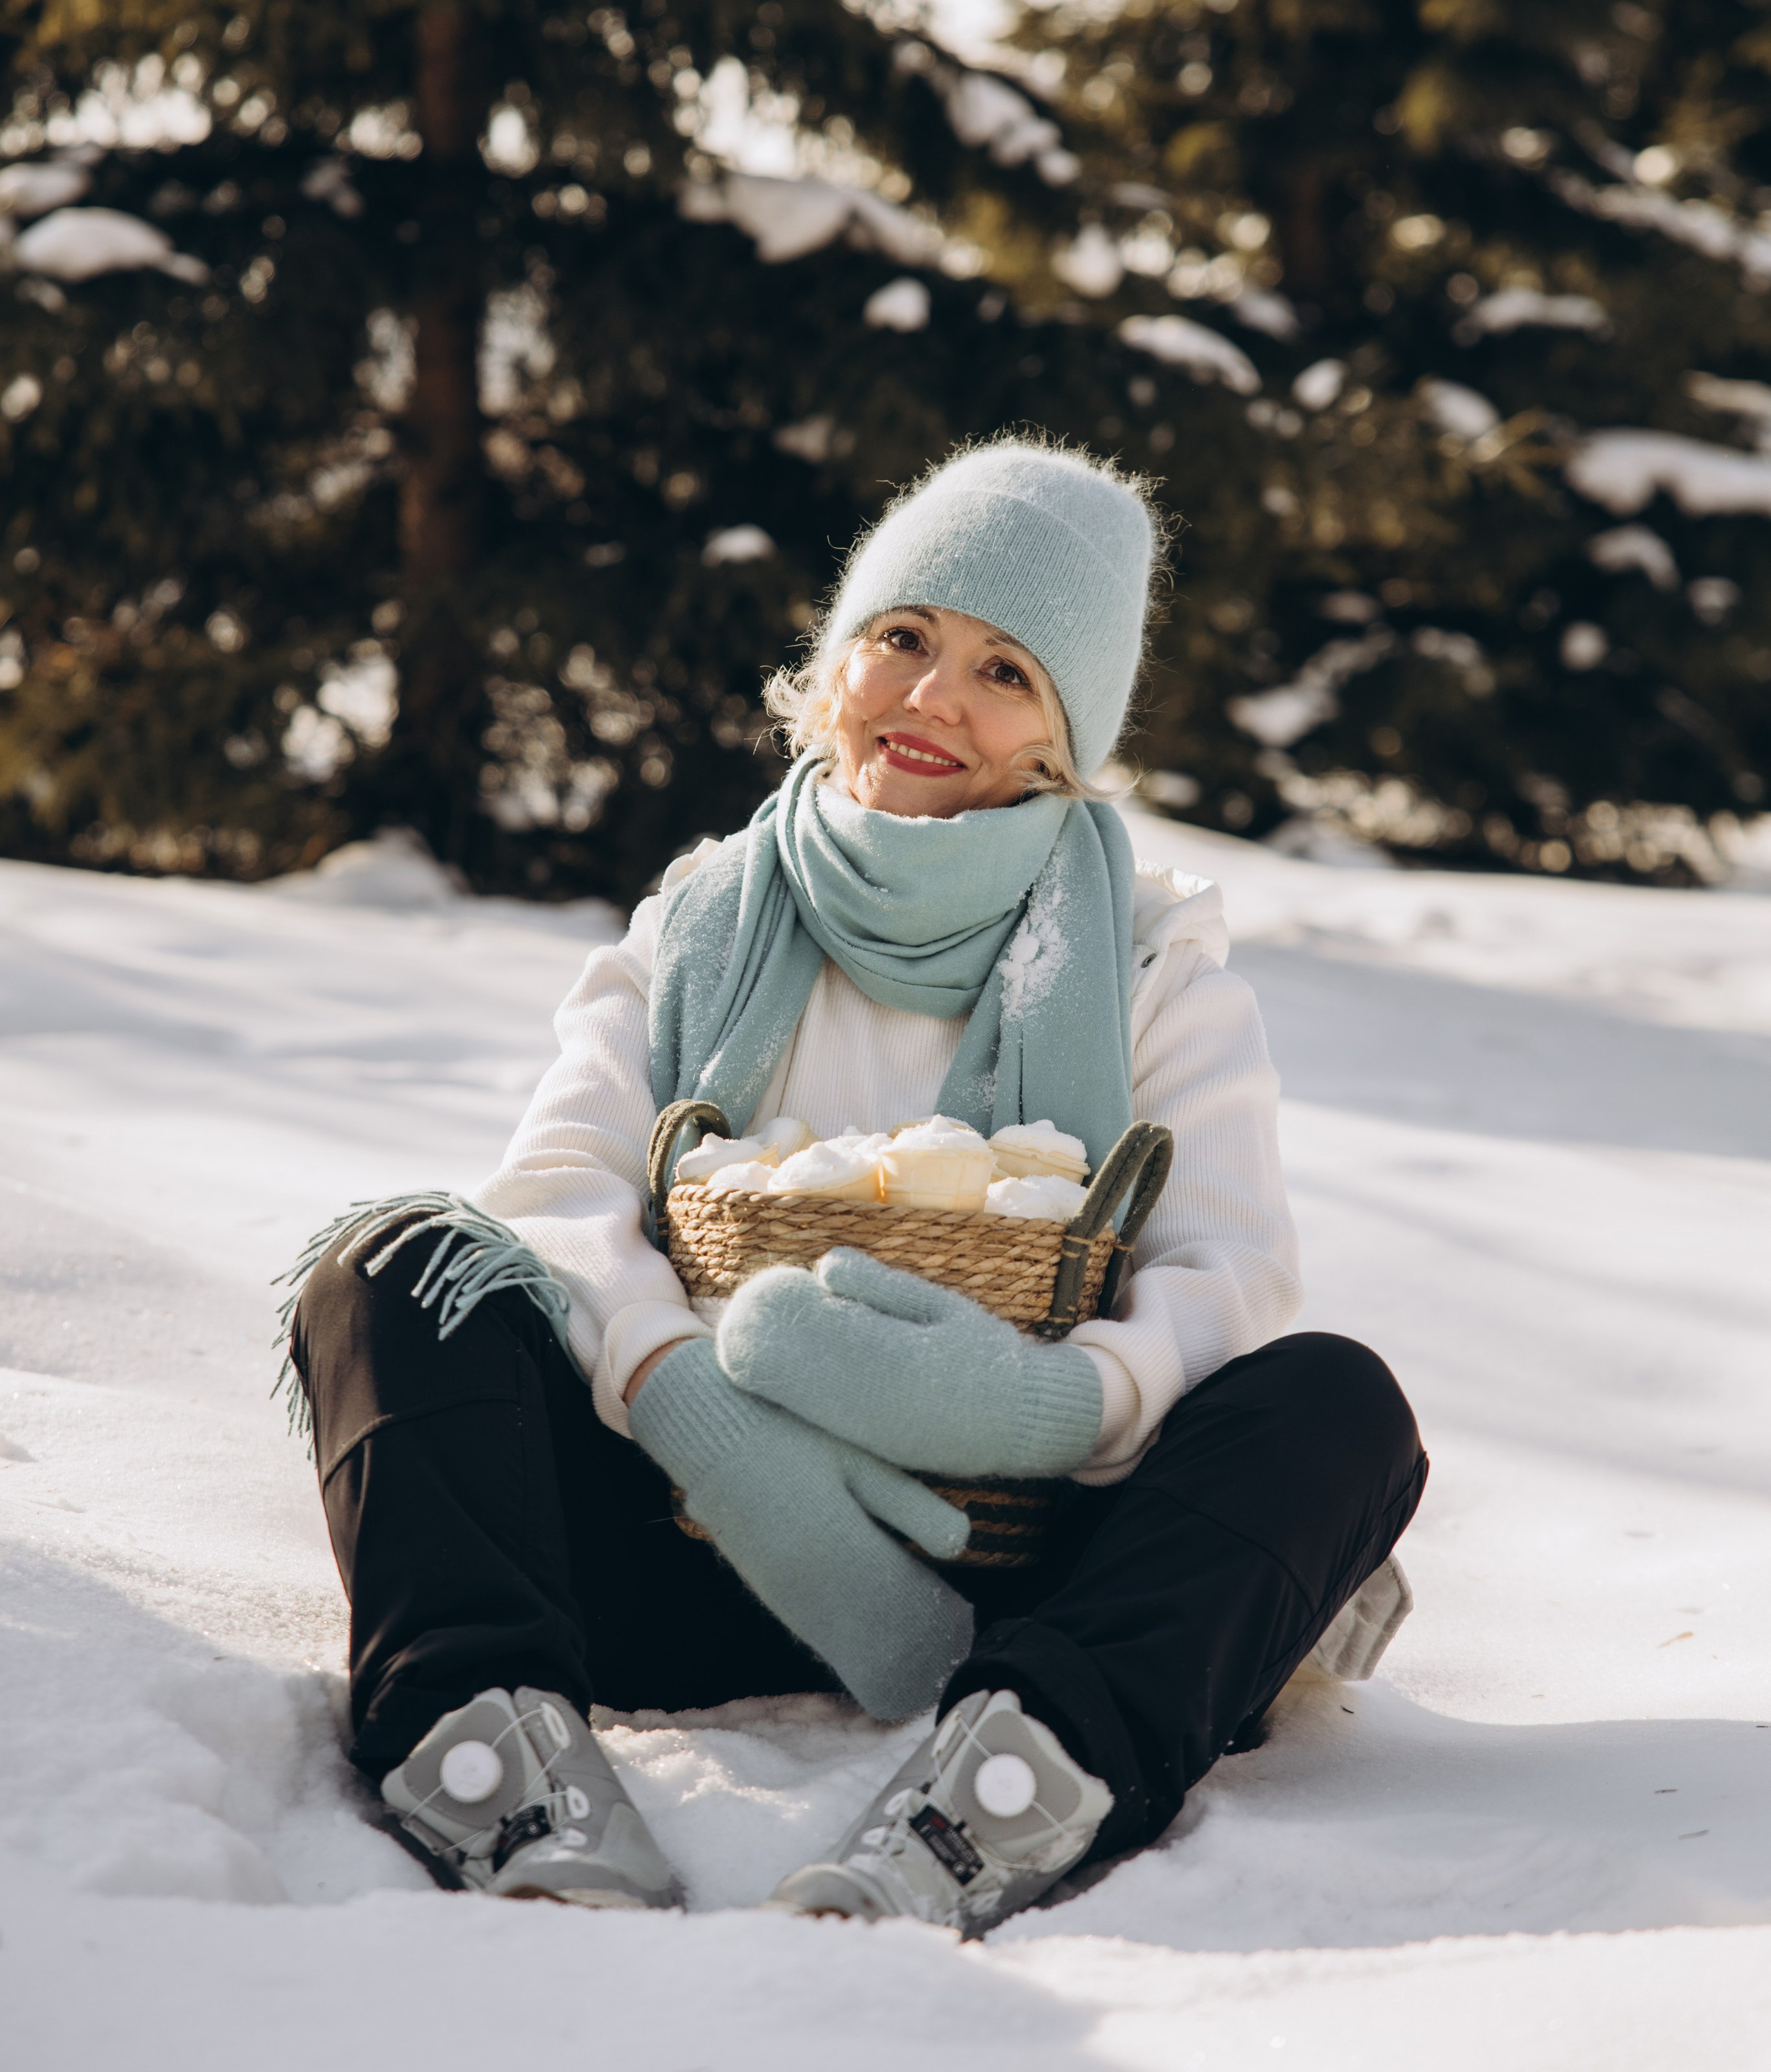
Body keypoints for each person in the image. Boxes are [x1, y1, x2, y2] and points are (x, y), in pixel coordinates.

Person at [290, 437, 1426, 1932]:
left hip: (1010, 1584)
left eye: (1005, 671)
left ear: (1059, 738)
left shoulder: (1152, 969)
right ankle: (481, 1744)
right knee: (399, 1268)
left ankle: (1027, 1774)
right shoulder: (699, 915)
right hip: (674, 1550)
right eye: (902, 637)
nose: (931, 697)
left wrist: (1045, 1406)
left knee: (1332, 1403)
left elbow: (1223, 1280)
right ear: (837, 661)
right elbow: (558, 1189)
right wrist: (691, 1405)